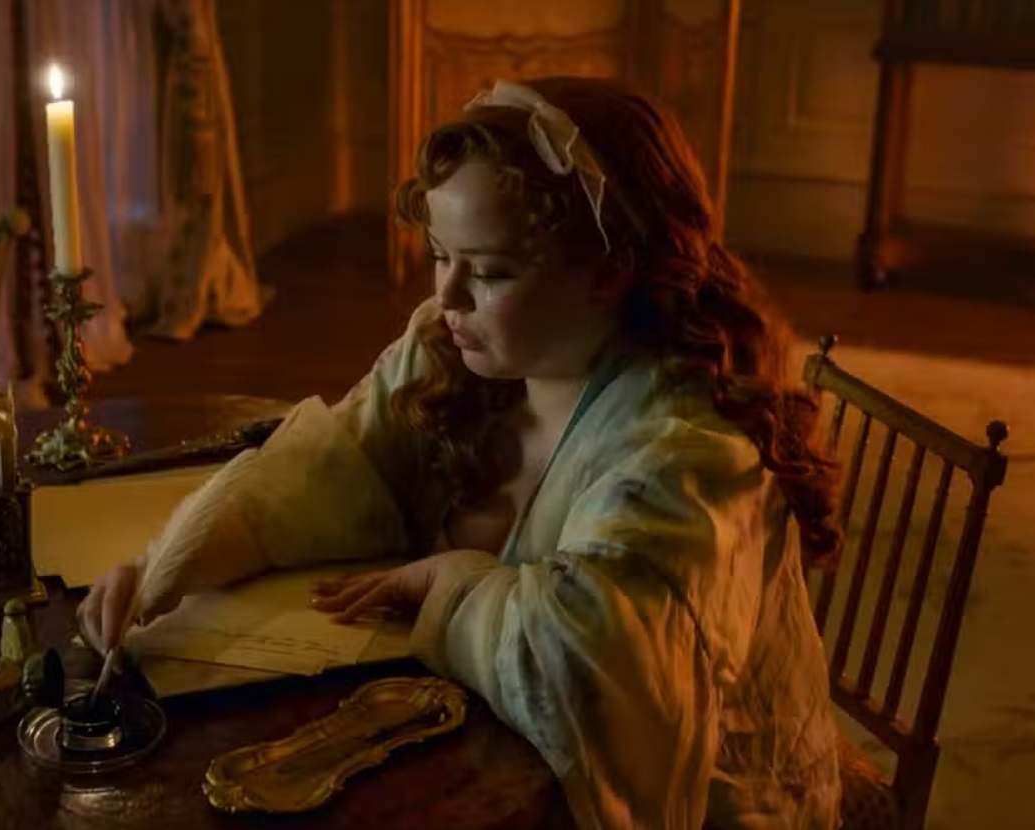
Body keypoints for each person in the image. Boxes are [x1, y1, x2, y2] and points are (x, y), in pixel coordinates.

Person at [79, 77, 843, 829]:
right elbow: (327, 468)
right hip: (459, 739)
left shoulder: (684, 454)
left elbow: (590, 673)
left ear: (609, 272)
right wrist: (168, 568)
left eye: (493, 271)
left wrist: (455, 583)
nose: (448, 296)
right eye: (442, 255)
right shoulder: (459, 347)